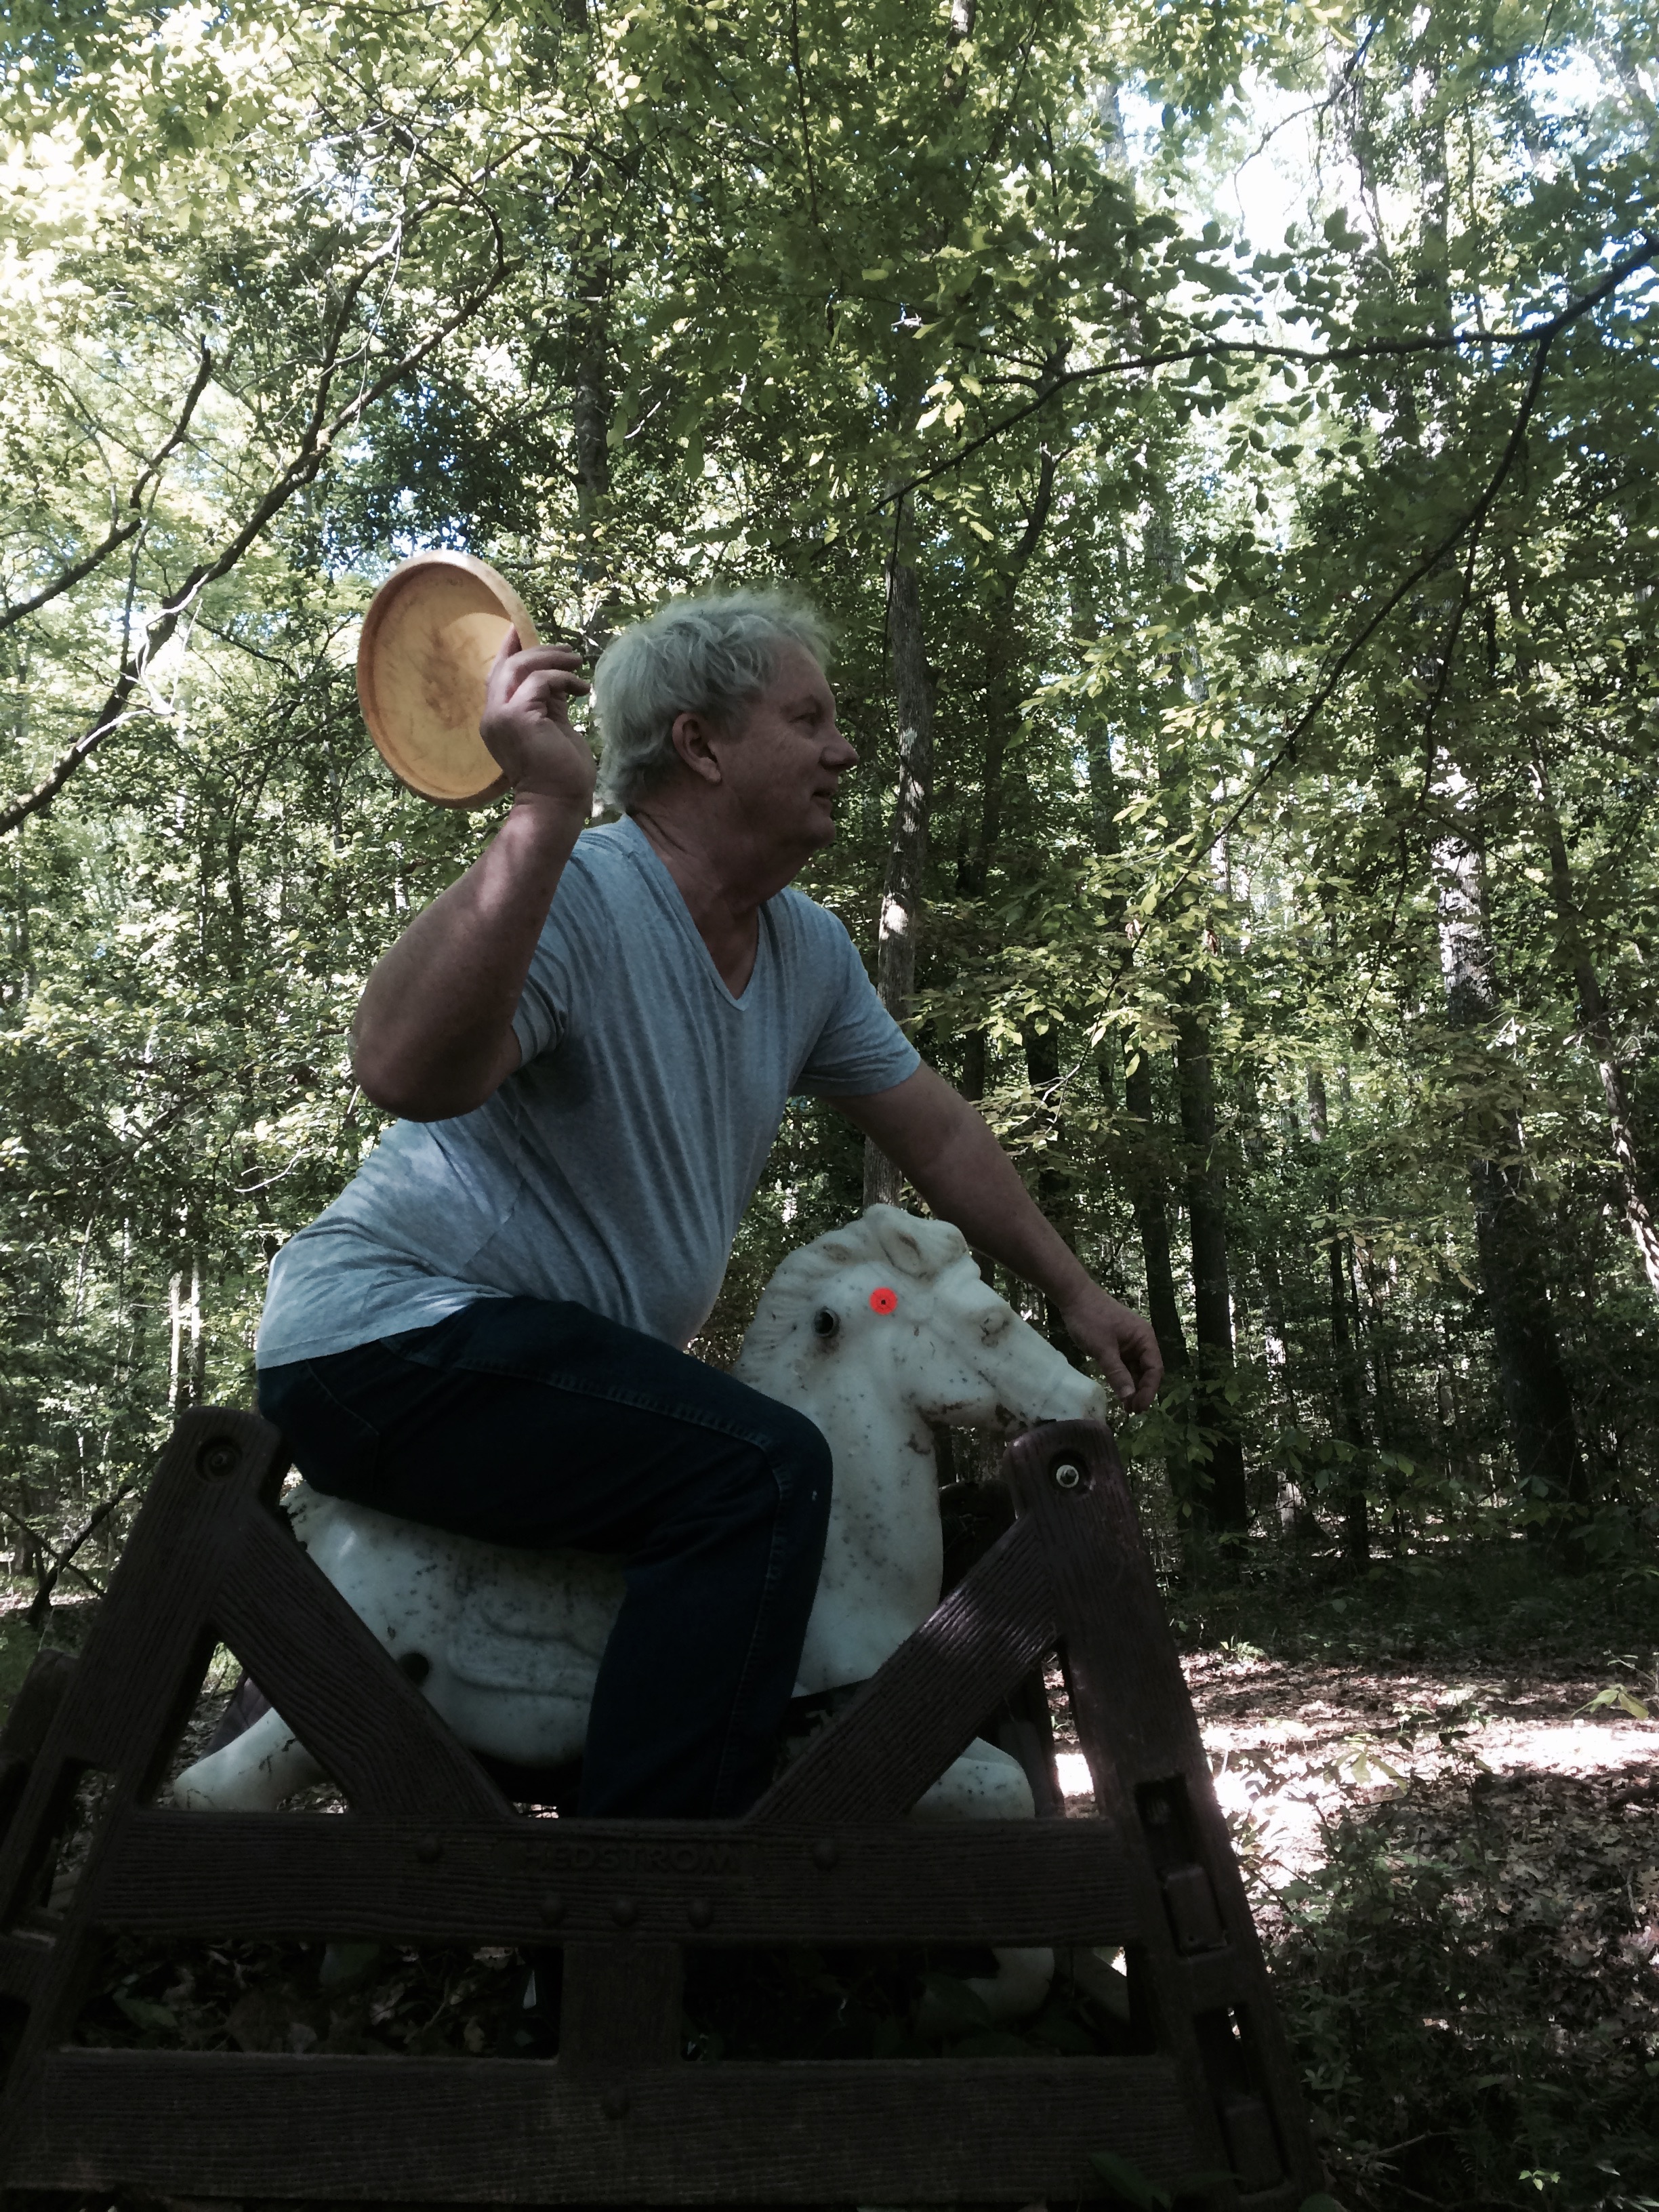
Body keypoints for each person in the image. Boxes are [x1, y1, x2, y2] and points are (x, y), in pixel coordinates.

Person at [255, 590, 1162, 1819]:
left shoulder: (808, 953)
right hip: (385, 1341)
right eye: (810, 719)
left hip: (534, 1377)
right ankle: (655, 1908)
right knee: (759, 1470)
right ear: (702, 744)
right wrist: (543, 809)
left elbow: (937, 1129)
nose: (845, 749)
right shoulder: (582, 891)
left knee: (745, 1468)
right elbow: (399, 1069)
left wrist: (1073, 1288)